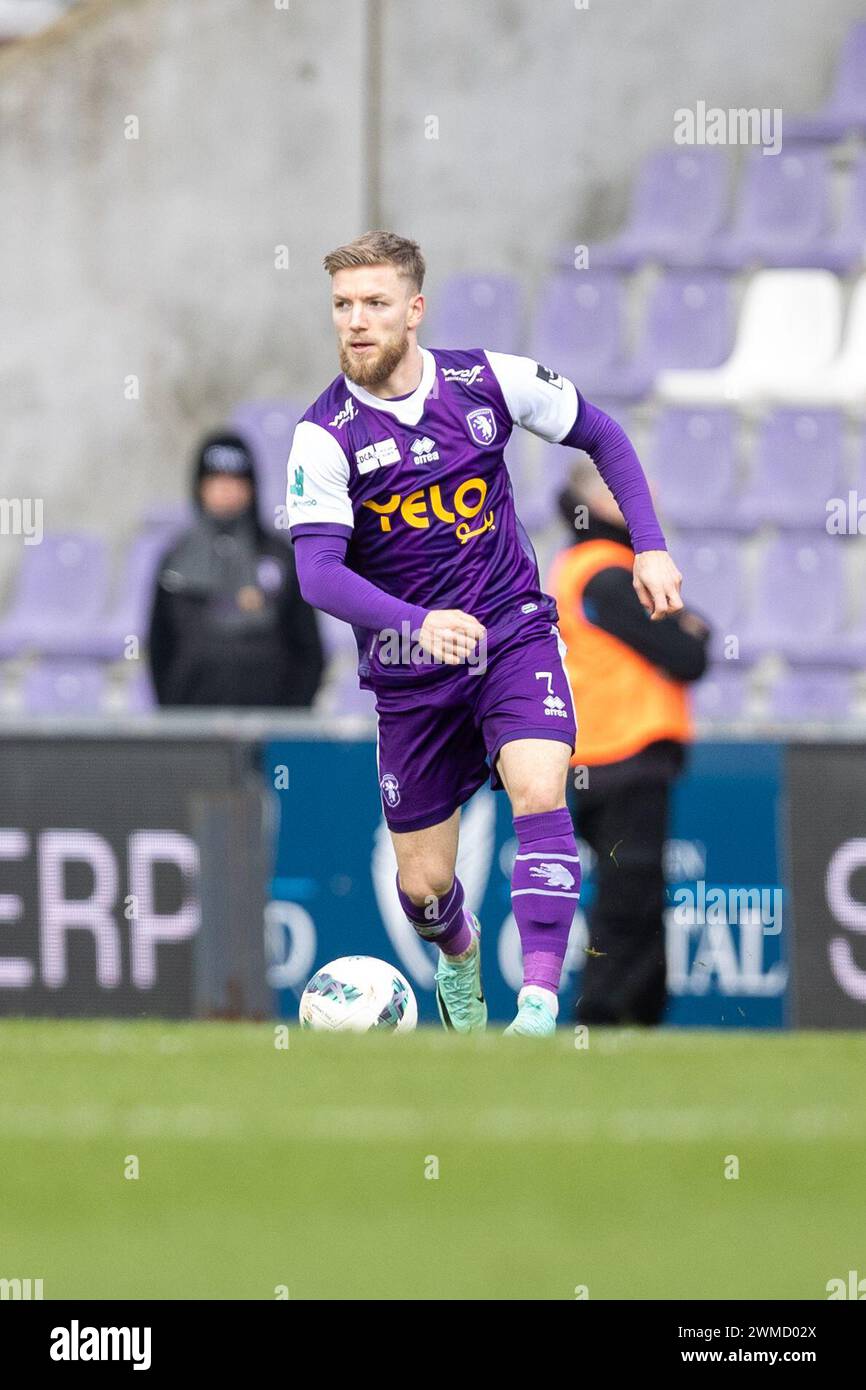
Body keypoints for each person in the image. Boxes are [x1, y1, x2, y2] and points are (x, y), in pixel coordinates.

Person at [286, 230, 683, 1036]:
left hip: (512, 634)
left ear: (414, 310)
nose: (356, 322)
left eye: (374, 304)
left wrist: (650, 546)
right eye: (342, 306)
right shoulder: (323, 436)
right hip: (408, 671)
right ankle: (459, 960)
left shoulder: (483, 380)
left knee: (541, 787)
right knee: (427, 887)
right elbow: (318, 574)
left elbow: (601, 432)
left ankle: (537, 1005)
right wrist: (417, 625)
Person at [549, 459, 710, 1025]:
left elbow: (691, 636)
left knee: (631, 894)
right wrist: (688, 628)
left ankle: (633, 1017)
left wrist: (690, 629)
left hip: (600, 757)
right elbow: (688, 652)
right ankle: (608, 1016)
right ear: (598, 502)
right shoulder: (609, 573)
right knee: (629, 899)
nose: (651, 496)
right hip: (622, 756)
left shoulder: (586, 567)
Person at [149, 431, 324, 707]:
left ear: (252, 487)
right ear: (200, 487)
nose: (226, 489)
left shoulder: (281, 558)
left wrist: (290, 720)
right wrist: (174, 714)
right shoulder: (175, 561)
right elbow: (160, 647)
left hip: (271, 728)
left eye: (236, 480)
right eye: (216, 479)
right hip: (192, 728)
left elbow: (308, 651)